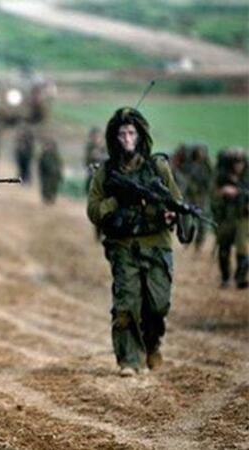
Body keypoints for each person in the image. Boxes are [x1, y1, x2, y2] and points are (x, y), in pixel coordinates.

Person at [87, 107, 189, 377]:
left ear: (140, 136)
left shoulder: (157, 168)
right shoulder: (106, 172)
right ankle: (129, 360)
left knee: (158, 305)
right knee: (126, 306)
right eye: (122, 134)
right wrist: (116, 201)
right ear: (115, 138)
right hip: (123, 246)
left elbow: (177, 202)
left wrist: (172, 214)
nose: (127, 139)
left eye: (131, 133)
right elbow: (94, 211)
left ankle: (152, 343)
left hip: (156, 244)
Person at [212, 148, 248, 289]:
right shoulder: (221, 177)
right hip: (226, 217)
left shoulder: (246, 178)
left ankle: (240, 278)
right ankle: (225, 277)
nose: (239, 166)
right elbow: (213, 197)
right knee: (224, 247)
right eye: (236, 163)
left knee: (242, 248)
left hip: (243, 217)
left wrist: (238, 192)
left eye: (241, 163)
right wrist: (222, 193)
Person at [38, 139, 63, 204]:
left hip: (54, 174)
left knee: (53, 187)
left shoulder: (55, 155)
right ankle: (46, 198)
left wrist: (59, 173)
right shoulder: (44, 155)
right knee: (46, 186)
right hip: (46, 174)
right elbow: (41, 165)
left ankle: (52, 198)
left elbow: (59, 165)